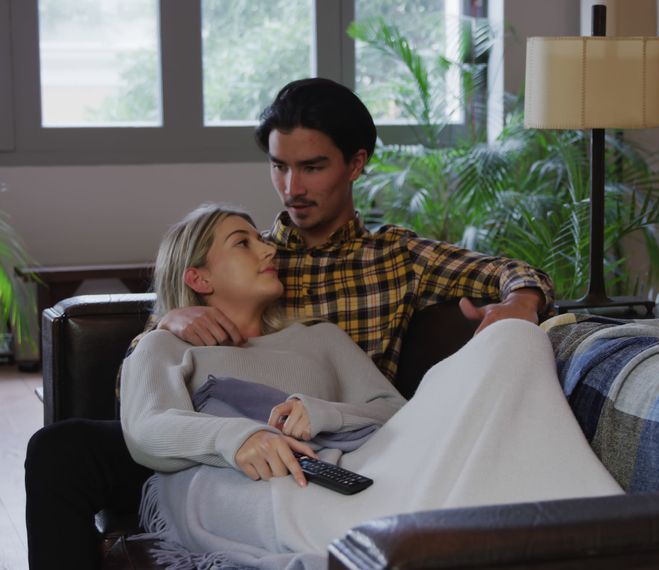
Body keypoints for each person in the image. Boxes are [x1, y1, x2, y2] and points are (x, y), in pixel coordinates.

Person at [25, 78, 555, 569]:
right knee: (61, 448)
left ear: (356, 164)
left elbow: (510, 272)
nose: (291, 186)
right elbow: (143, 398)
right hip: (207, 424)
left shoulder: (397, 257)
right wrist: (165, 324)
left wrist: (522, 303)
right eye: (279, 166)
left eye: (312, 167)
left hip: (337, 438)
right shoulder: (253, 254)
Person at [120, 203, 620, 568]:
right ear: (200, 278)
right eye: (242, 242)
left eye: (260, 236)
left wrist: (324, 412)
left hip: (364, 465)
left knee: (514, 338)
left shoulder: (319, 337)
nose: (267, 247)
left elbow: (393, 414)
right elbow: (147, 428)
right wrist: (239, 438)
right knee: (414, 518)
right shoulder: (163, 346)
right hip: (262, 487)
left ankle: (614, 533)